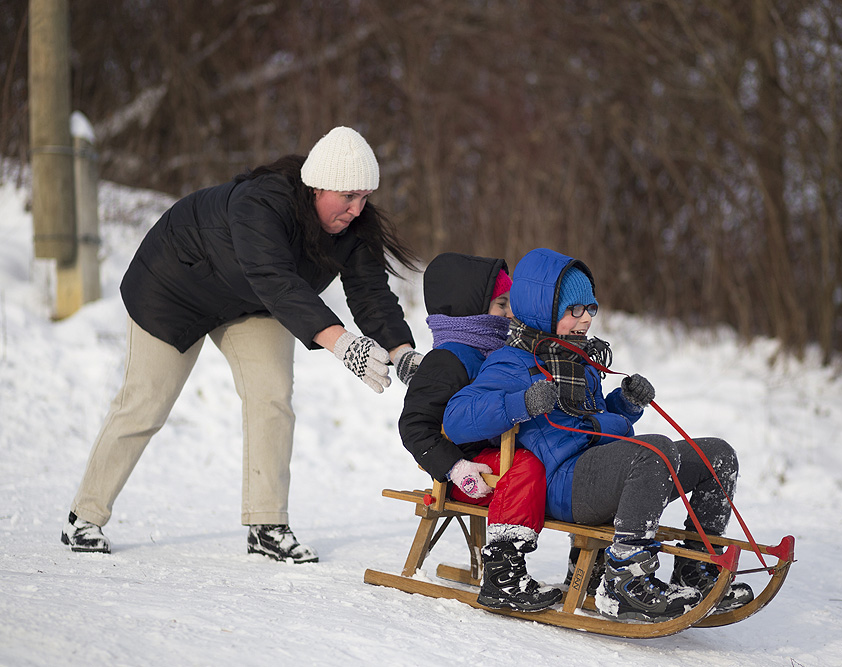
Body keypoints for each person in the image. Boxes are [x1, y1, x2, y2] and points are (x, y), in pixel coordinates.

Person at [62, 126, 424, 563]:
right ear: (316, 185)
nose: (356, 208)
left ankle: (266, 524)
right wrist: (343, 344)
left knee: (272, 395)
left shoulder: (355, 227)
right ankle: (84, 516)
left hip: (252, 302)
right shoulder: (260, 202)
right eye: (347, 195)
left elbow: (370, 293)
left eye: (364, 196)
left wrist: (403, 354)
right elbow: (276, 278)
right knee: (146, 402)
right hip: (175, 287)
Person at [443, 247, 753, 621]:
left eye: (591, 308)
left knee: (716, 455)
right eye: (573, 309)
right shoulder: (511, 363)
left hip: (594, 471)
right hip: (562, 484)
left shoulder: (578, 359)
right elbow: (457, 417)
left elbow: (595, 424)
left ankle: (697, 570)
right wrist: (519, 404)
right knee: (653, 451)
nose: (585, 319)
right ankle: (623, 577)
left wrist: (624, 405)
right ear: (544, 308)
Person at [398, 252, 561, 612]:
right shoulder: (448, 360)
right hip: (474, 471)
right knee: (526, 468)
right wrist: (456, 468)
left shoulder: (495, 353)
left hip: (496, 455)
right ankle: (504, 576)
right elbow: (414, 425)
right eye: (502, 303)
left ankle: (589, 566)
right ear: (472, 306)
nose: (508, 313)